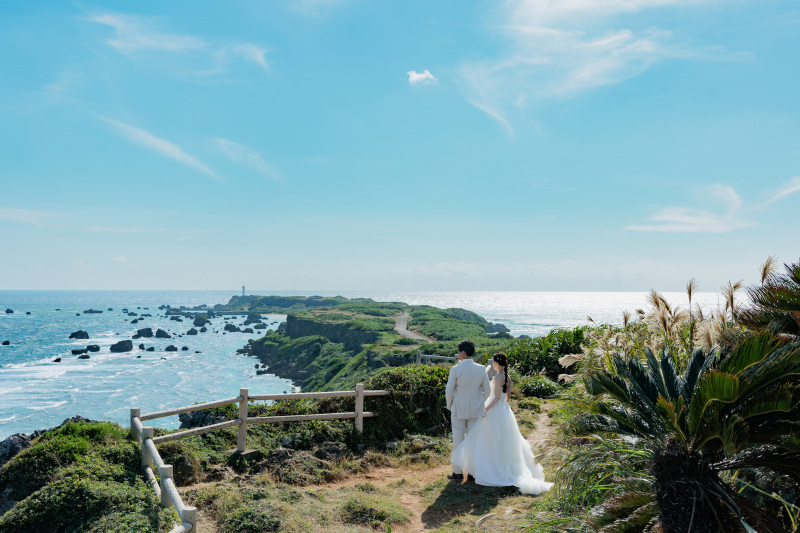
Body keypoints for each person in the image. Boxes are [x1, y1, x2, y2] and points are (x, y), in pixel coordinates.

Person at [451, 352, 553, 495]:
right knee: (505, 440)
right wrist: (503, 407)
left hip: (494, 410)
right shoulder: (508, 377)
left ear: (496, 363)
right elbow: (507, 398)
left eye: (493, 362)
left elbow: (496, 397)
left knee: (489, 439)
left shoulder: (497, 378)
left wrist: (485, 409)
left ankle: (490, 467)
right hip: (505, 410)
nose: (492, 364)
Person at [445, 340, 491, 480]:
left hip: (458, 410)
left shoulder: (455, 369)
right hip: (476, 411)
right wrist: (480, 403)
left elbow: (449, 391)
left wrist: (450, 406)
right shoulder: (481, 368)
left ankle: (457, 472)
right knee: (473, 442)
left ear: (463, 353)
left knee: (457, 441)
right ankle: (472, 473)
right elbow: (488, 391)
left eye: (459, 352)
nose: (458, 354)